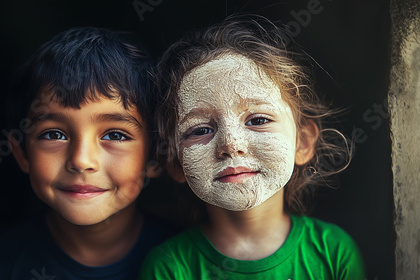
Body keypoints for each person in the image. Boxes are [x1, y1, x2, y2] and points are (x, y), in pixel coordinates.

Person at [139, 16, 366, 279]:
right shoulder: (168, 267)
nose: (231, 144)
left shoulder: (334, 252)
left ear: (302, 142)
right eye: (200, 130)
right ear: (176, 163)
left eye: (258, 120)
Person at [0, 26, 171, 280]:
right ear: (21, 153)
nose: (81, 160)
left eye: (115, 135)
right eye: (54, 134)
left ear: (156, 156)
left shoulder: (186, 263)